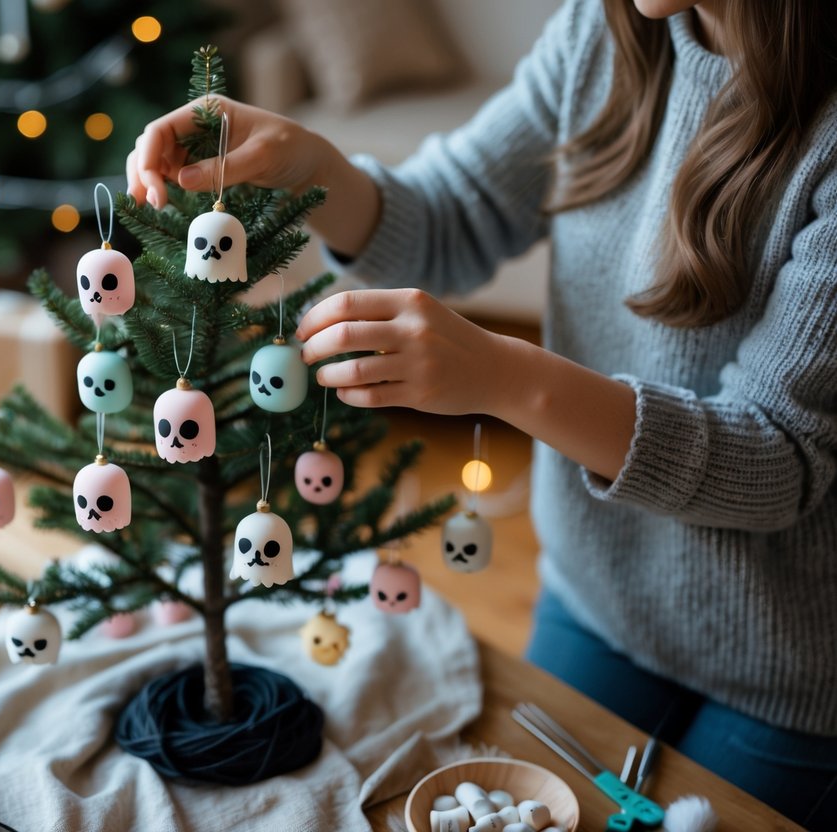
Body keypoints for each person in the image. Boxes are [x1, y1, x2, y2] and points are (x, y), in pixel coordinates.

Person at [127, 0, 837, 826]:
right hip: (599, 596)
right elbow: (455, 212)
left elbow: (774, 460)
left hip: (786, 667)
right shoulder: (601, 34)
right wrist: (310, 168)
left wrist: (504, 377)